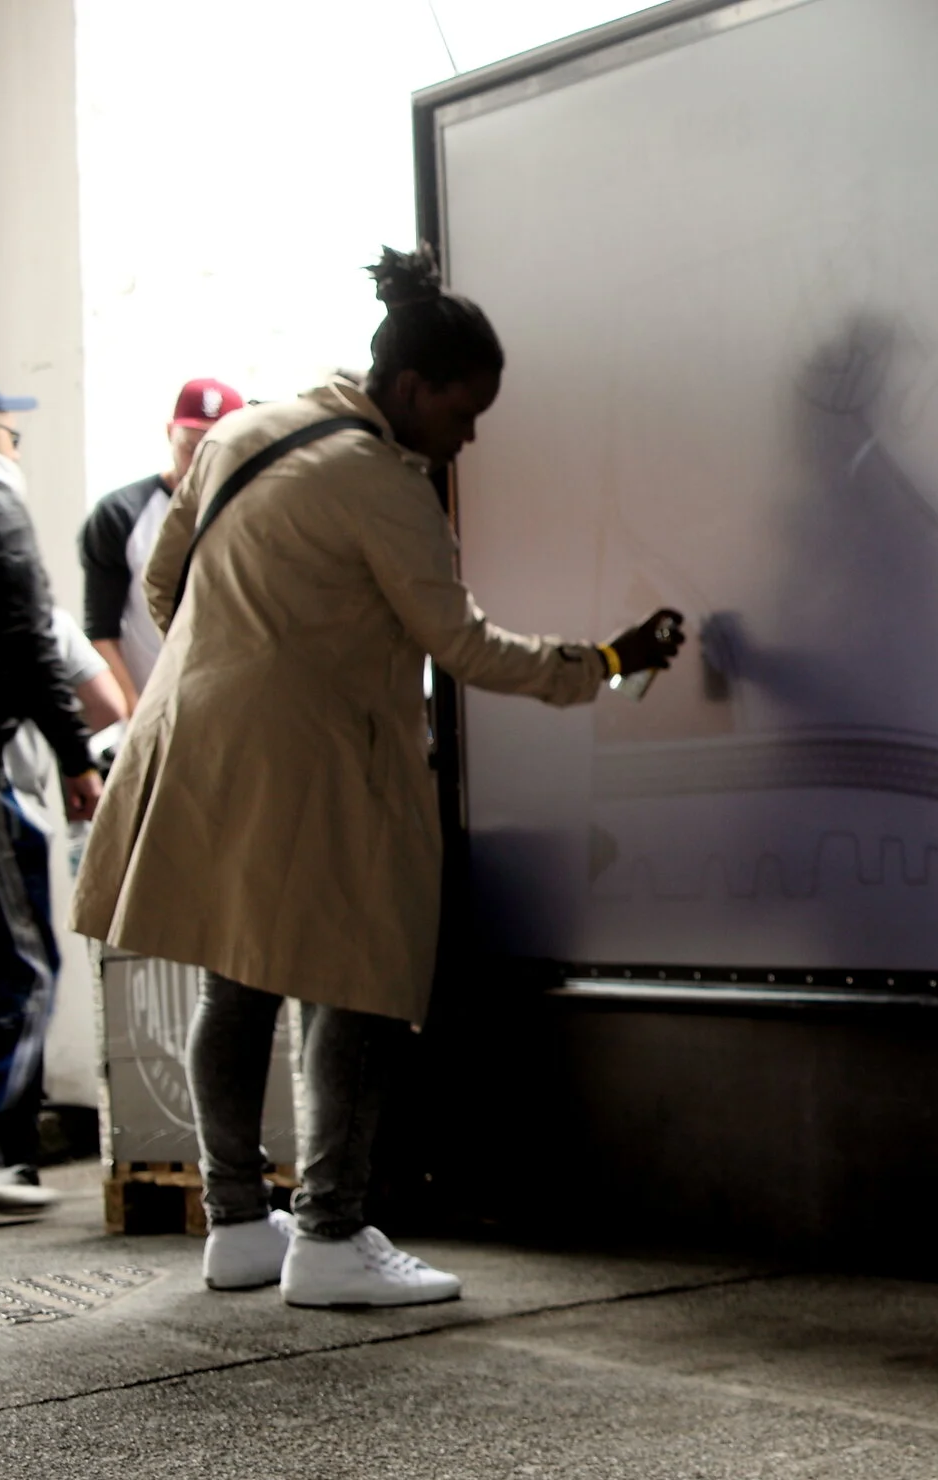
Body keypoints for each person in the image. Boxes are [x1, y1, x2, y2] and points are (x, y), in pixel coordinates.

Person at [74, 248, 684, 1307]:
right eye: (464, 411)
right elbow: (466, 646)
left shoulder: (242, 433)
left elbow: (165, 583)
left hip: (199, 742)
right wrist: (608, 661)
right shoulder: (385, 487)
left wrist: (242, 664)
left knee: (236, 978)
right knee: (355, 981)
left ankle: (237, 1223)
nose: (470, 436)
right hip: (315, 766)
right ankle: (329, 1232)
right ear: (409, 387)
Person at [0, 368, 104, 1216]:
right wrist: (77, 757)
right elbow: (29, 640)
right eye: (11, 432)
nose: (14, 448)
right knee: (24, 962)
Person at [79, 378, 247, 711]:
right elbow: (102, 629)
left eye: (215, 449)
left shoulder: (255, 515)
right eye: (190, 447)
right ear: (170, 433)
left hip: (231, 705)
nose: (200, 463)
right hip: (153, 701)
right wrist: (135, 711)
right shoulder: (122, 513)